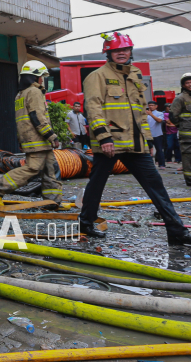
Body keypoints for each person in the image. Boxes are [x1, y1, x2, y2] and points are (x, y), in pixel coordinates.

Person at [79, 32, 191, 244]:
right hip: (111, 143)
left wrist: (148, 140)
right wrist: (104, 138)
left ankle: (176, 231)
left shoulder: (135, 74)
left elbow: (140, 111)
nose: (121, 53)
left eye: (125, 49)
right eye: (116, 50)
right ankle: (86, 223)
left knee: (156, 185)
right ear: (108, 53)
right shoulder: (97, 76)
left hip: (136, 144)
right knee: (97, 184)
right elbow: (93, 108)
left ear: (131, 51)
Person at [0, 61, 63, 207]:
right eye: (41, 76)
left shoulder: (21, 94)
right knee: (33, 168)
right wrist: (51, 136)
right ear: (35, 77)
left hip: (34, 140)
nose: (42, 80)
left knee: (49, 169)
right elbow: (37, 117)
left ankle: (52, 202)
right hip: (38, 139)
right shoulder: (34, 92)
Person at [169, 73, 191, 184]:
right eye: (187, 83)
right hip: (187, 136)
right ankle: (190, 180)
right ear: (183, 85)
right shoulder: (180, 98)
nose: (190, 84)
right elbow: (173, 116)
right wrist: (182, 126)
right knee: (188, 157)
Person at [147, 101, 166, 169]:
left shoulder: (159, 113)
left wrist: (151, 114)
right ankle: (149, 165)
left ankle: (162, 164)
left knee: (159, 150)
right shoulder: (145, 114)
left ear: (156, 106)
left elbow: (159, 120)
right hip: (148, 135)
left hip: (157, 134)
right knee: (147, 151)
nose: (151, 107)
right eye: (149, 105)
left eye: (152, 105)